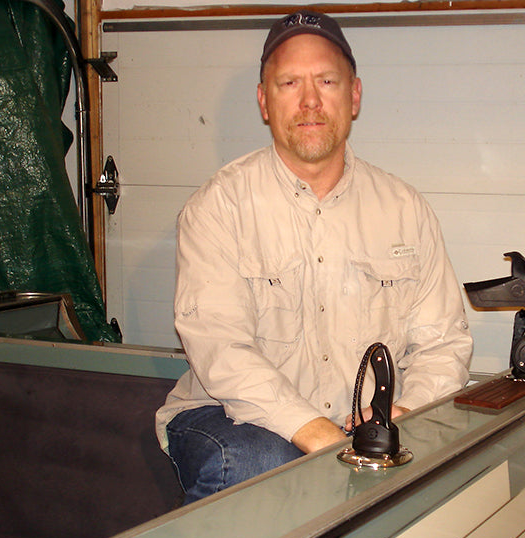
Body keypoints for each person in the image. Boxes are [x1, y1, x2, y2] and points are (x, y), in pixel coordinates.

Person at [155, 10, 473, 505]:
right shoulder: (218, 207)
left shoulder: (406, 210)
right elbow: (222, 350)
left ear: (355, 95)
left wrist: (399, 415)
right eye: (289, 83)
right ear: (264, 101)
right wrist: (317, 432)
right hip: (231, 415)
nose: (309, 101)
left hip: (368, 426)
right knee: (264, 465)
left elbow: (443, 344)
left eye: (326, 80)